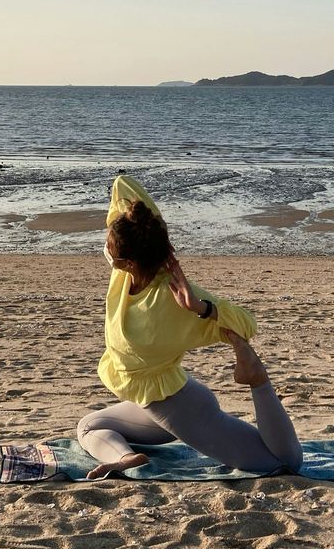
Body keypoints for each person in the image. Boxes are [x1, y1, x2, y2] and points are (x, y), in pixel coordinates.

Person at [76, 175, 303, 479]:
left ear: (128, 262)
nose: (106, 248)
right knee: (90, 426)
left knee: (283, 463)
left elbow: (247, 324)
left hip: (182, 410)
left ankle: (258, 379)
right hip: (154, 400)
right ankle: (127, 458)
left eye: (110, 246)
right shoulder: (127, 271)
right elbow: (123, 184)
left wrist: (202, 308)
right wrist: (144, 223)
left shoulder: (170, 300)